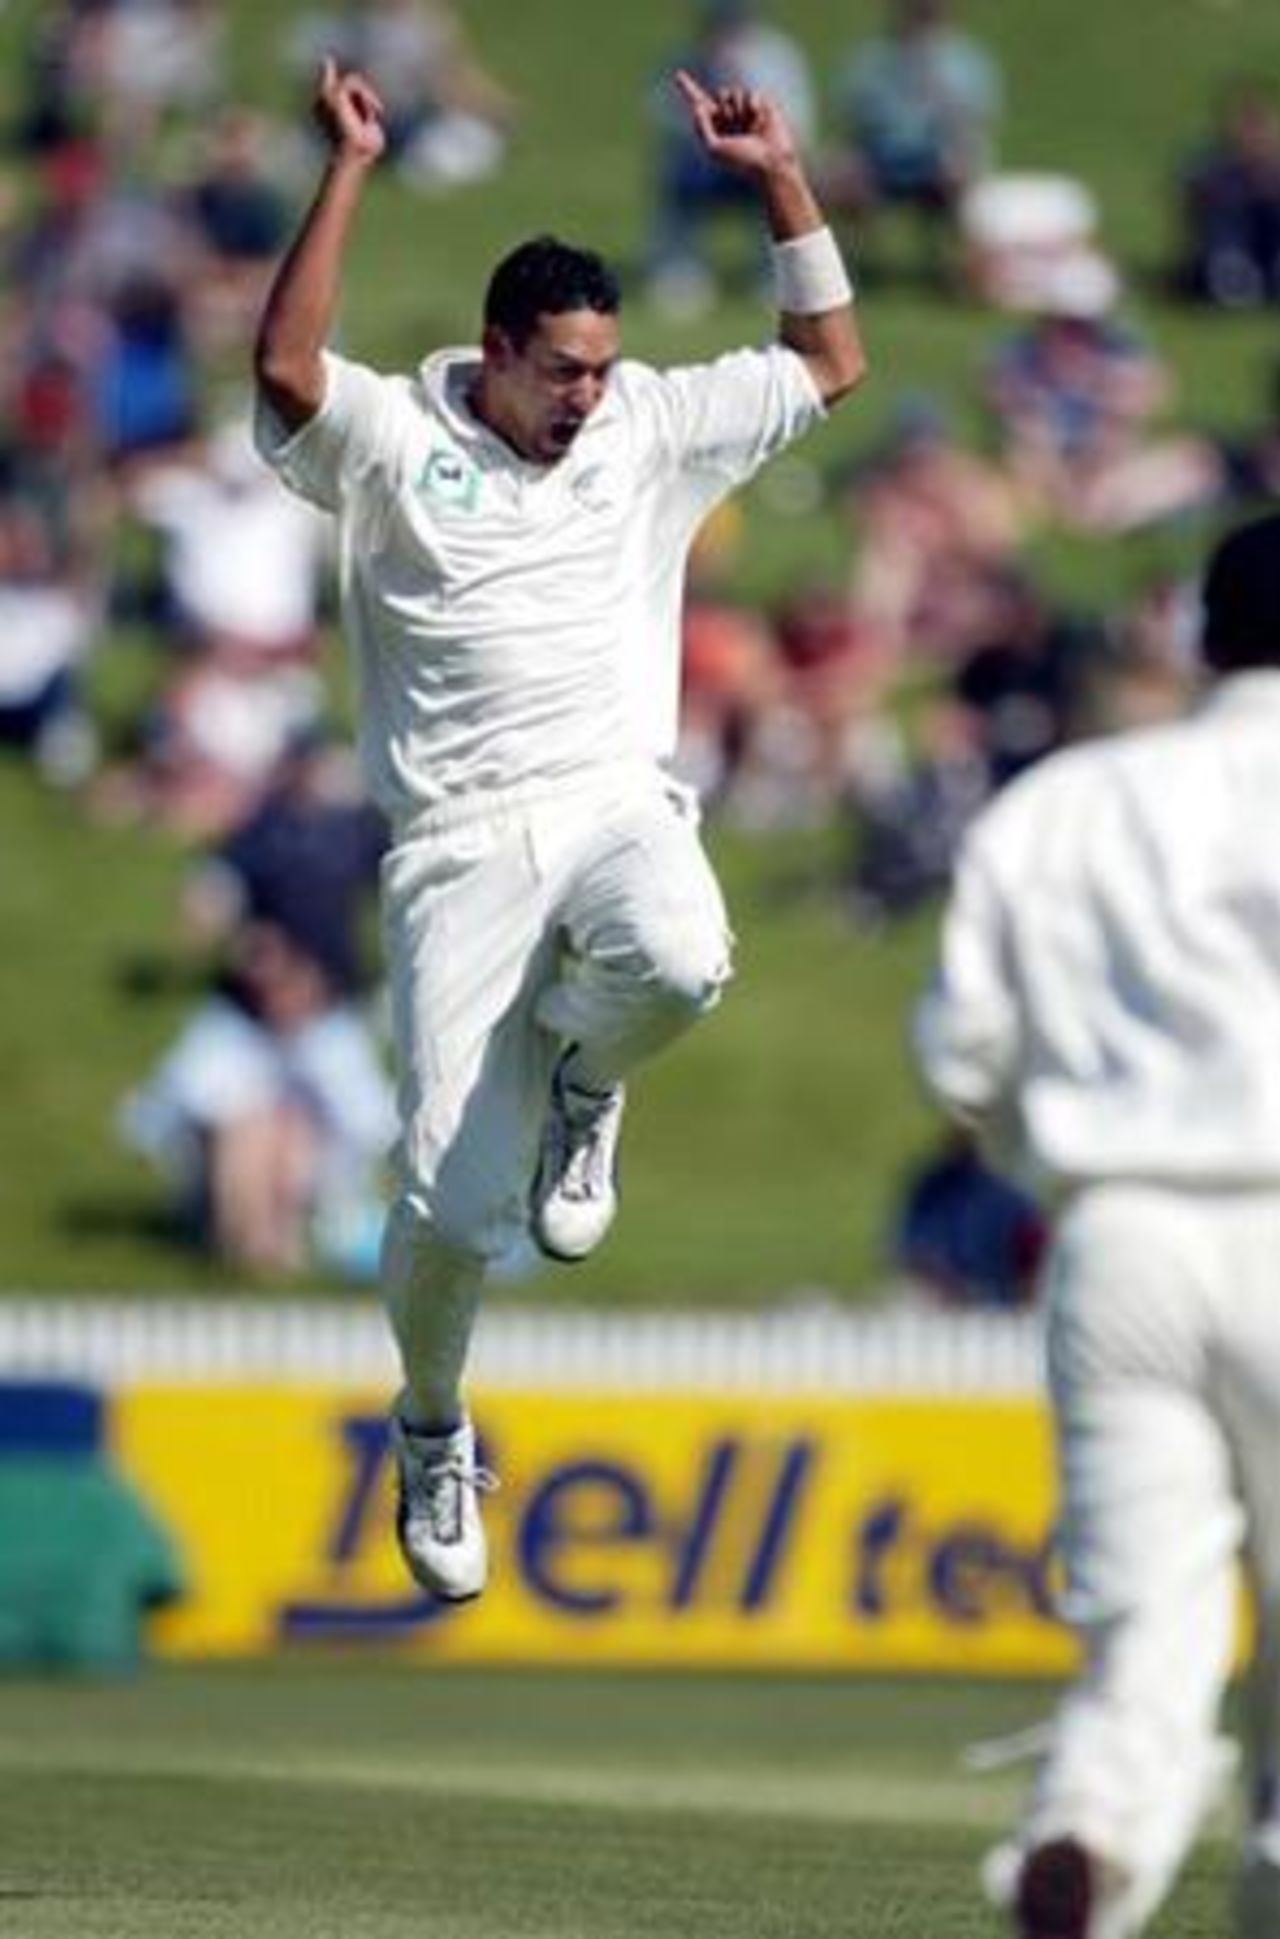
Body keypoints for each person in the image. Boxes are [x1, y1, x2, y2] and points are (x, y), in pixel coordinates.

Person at [253, 60, 866, 1602]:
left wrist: (781, 177)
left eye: (603, 369)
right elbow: (284, 364)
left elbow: (831, 358)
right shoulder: (398, 442)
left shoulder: (647, 428)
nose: (589, 397)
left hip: (609, 797)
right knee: (452, 1217)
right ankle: (433, 1422)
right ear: (500, 353)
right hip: (457, 846)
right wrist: (349, 168)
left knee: (680, 954)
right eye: (564, 373)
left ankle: (586, 1079)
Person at [913, 511, 1280, 1939]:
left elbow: (960, 1057)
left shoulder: (1065, 804)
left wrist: (1047, 1151)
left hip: (1118, 1233)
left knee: (1148, 1620)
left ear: (1200, 638)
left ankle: (1090, 1834)